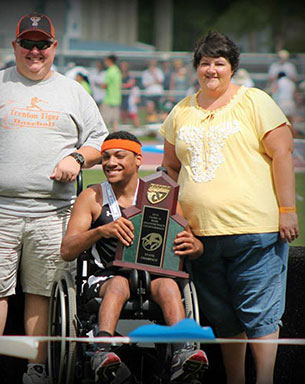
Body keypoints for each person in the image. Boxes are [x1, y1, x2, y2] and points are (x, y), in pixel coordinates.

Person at [0, 12, 108, 384]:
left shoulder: (73, 91)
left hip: (53, 213)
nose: (35, 51)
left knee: (43, 291)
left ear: (54, 47)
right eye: (28, 44)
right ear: (15, 46)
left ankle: (36, 370)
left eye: (42, 44)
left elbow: (99, 142)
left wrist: (76, 158)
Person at [159, 31, 299, 384]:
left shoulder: (255, 101)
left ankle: (264, 379)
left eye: (219, 63)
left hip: (255, 231)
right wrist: (165, 217)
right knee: (223, 318)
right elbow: (169, 170)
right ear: (196, 68)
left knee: (261, 315)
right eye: (204, 63)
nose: (211, 70)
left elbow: (282, 152)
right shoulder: (181, 111)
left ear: (231, 67)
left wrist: (287, 210)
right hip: (199, 236)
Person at [60, 131, 209, 383]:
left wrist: (195, 245)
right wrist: (101, 230)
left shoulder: (162, 195)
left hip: (151, 275)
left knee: (170, 286)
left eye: (119, 156)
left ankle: (182, 352)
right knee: (119, 284)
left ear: (138, 160)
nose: (110, 163)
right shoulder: (93, 196)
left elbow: (191, 243)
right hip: (106, 276)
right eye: (105, 157)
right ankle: (101, 351)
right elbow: (67, 250)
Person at [100, 54, 122, 133]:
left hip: (109, 99)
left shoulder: (110, 71)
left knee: (104, 120)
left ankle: (104, 137)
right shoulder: (117, 71)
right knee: (115, 121)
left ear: (109, 61)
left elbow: (105, 85)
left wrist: (98, 85)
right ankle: (117, 139)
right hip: (116, 99)